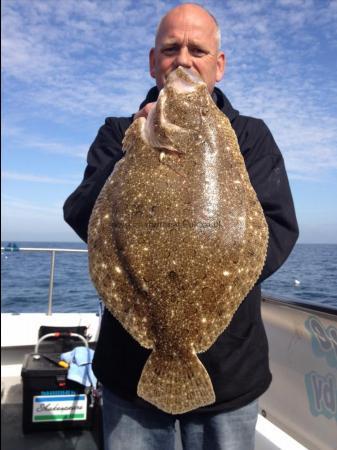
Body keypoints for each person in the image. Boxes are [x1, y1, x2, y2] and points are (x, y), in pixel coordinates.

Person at [63, 4, 299, 449]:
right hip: (129, 374)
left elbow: (279, 227)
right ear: (154, 61)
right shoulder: (118, 133)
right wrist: (132, 154)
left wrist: (212, 281)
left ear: (219, 64)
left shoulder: (250, 137)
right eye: (171, 49)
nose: (184, 59)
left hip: (230, 376)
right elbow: (83, 215)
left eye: (197, 49)